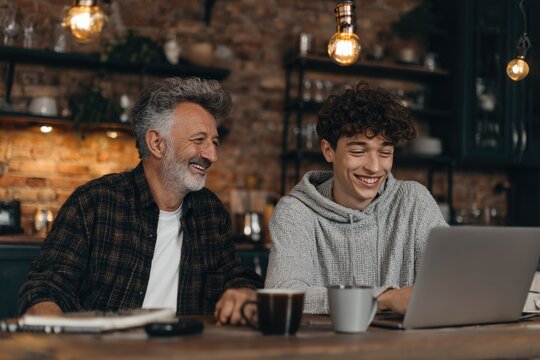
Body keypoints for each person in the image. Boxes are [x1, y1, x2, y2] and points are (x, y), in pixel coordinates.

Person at [18, 77, 262, 325]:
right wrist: (57, 332)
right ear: (156, 143)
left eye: (214, 143)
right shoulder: (94, 203)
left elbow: (237, 275)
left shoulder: (210, 211)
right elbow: (46, 288)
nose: (212, 155)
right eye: (199, 140)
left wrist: (243, 292)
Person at [265, 81, 448, 315]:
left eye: (385, 153)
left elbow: (448, 281)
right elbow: (283, 294)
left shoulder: (413, 201)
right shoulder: (295, 212)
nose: (374, 167)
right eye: (358, 152)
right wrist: (383, 298)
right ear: (328, 150)